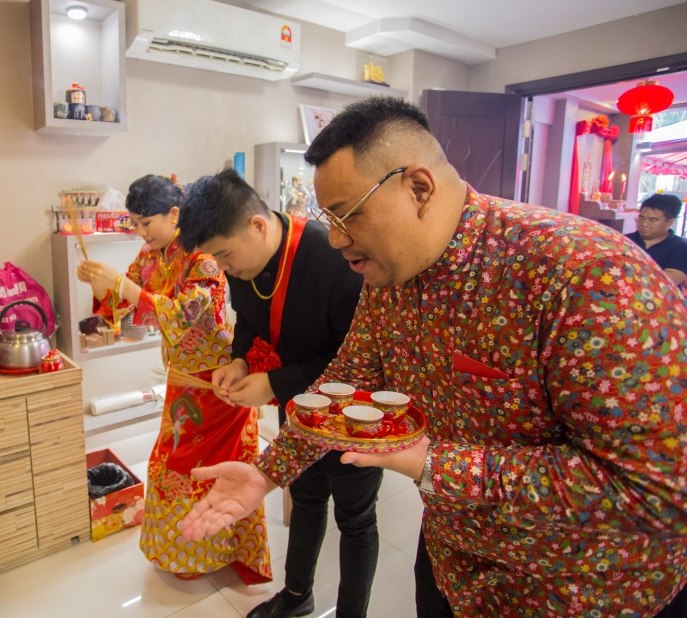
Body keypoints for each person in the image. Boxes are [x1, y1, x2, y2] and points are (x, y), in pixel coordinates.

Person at [179, 98, 687, 616]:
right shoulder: (389, 277)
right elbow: (345, 383)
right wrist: (268, 471)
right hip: (451, 561)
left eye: (347, 215)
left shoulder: (588, 276)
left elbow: (659, 488)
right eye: (326, 218)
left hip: (573, 591)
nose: (334, 239)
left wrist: (435, 465)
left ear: (418, 188)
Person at [178, 170, 373, 618]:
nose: (225, 271)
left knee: (355, 519)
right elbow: (247, 318)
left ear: (258, 226)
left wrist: (275, 382)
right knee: (304, 497)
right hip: (297, 405)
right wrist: (241, 360)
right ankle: (297, 596)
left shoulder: (330, 257)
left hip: (351, 410)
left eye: (225, 257)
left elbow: (359, 360)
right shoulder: (243, 263)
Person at [75, 174, 272, 585]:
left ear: (175, 214)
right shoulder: (150, 257)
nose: (140, 232)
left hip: (218, 381)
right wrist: (102, 285)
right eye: (135, 223)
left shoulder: (203, 257)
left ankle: (216, 551)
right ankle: (184, 551)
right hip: (183, 379)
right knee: (169, 466)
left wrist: (123, 286)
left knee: (205, 469)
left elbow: (183, 316)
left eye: (146, 222)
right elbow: (129, 308)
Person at [626, 193, 687, 288]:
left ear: (670, 222)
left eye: (653, 220)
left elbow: (667, 282)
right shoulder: (625, 240)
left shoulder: (681, 247)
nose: (644, 224)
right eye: (641, 218)